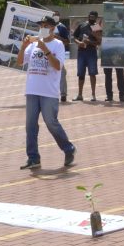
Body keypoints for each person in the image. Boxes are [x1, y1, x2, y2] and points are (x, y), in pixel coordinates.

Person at [19, 14, 75, 170]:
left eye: (46, 26)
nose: (42, 28)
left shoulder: (58, 44)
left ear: (52, 28)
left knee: (51, 122)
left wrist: (46, 50)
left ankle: (68, 149)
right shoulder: (33, 44)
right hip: (32, 89)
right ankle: (33, 157)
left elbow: (58, 66)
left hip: (49, 91)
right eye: (41, 26)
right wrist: (23, 47)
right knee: (30, 125)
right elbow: (20, 62)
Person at [72, 11, 101, 101]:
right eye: (90, 16)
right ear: (88, 16)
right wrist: (79, 43)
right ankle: (80, 95)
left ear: (96, 18)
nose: (92, 18)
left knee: (92, 73)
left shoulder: (97, 27)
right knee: (81, 74)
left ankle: (93, 95)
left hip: (91, 52)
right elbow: (74, 37)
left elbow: (99, 42)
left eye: (94, 17)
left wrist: (90, 42)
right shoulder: (82, 25)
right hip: (81, 52)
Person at [53, 13, 71, 102]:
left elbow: (67, 41)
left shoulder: (62, 27)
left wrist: (57, 37)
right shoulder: (46, 27)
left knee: (62, 73)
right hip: (48, 53)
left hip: (58, 54)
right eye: (53, 15)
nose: (55, 17)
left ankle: (63, 94)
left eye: (56, 15)